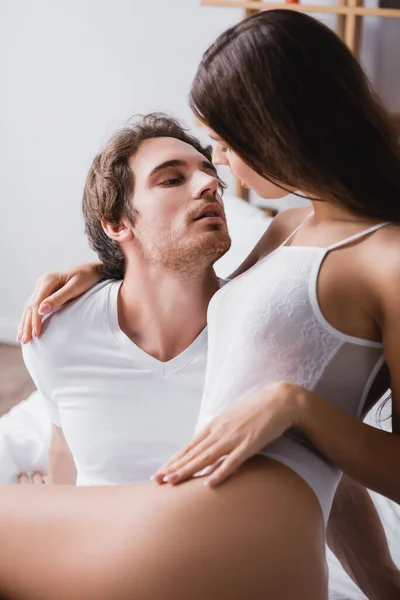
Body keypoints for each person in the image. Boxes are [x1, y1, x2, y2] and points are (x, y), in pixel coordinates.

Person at [1, 9, 400, 600]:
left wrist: (295, 406)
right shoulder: (290, 227)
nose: (221, 171)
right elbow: (206, 293)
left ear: (278, 124)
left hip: (241, 523)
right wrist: (103, 267)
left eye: (221, 144)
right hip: (231, 528)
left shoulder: (386, 259)